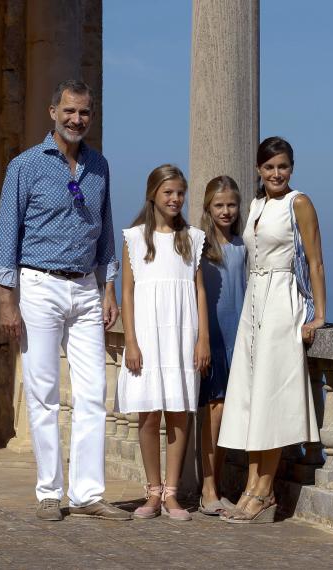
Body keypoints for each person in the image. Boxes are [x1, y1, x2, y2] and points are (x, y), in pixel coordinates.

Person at [0, 79, 130, 521]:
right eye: (69, 111)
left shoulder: (99, 167)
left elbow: (105, 234)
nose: (77, 119)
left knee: (93, 393)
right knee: (44, 391)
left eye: (84, 112)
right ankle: (50, 492)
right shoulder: (25, 166)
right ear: (53, 112)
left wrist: (109, 289)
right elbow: (4, 238)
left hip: (87, 288)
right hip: (39, 285)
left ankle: (88, 494)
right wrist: (5, 302)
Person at [218, 137, 326, 524]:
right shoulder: (256, 205)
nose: (276, 173)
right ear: (260, 171)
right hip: (255, 299)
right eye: (269, 167)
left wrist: (318, 316)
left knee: (271, 396)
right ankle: (252, 487)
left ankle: (263, 493)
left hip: (282, 300)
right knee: (251, 397)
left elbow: (314, 261)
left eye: (282, 166)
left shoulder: (300, 202)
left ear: (291, 168)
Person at [116, 164, 210, 520]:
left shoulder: (193, 238)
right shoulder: (135, 238)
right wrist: (132, 342)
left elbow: (199, 290)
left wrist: (203, 339)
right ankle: (152, 493)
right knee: (148, 413)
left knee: (178, 413)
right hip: (148, 336)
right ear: (153, 193)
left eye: (180, 193)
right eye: (168, 192)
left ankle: (172, 494)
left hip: (182, 335)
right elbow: (127, 292)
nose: (175, 199)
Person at [197, 176, 246, 516]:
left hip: (238, 336)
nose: (226, 211)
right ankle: (208, 487)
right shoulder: (199, 246)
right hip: (211, 337)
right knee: (213, 412)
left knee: (228, 413)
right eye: (219, 205)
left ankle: (220, 483)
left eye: (231, 204)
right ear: (208, 208)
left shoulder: (244, 245)